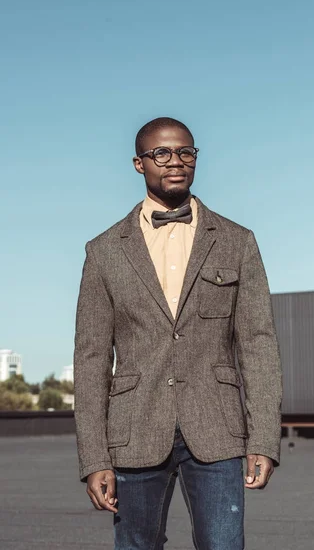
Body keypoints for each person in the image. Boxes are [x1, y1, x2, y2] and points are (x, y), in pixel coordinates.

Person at [74, 116, 283, 550]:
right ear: (138, 163)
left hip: (218, 433)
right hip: (134, 435)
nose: (176, 162)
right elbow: (92, 360)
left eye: (186, 152)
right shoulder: (104, 251)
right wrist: (94, 459)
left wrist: (264, 438)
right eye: (162, 153)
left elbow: (258, 344)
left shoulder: (236, 240)